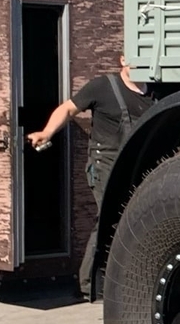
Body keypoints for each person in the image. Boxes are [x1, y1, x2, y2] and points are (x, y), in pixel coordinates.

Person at [28, 54, 155, 300]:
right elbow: (68, 109)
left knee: (140, 218)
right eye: (135, 63)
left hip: (138, 165)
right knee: (112, 218)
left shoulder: (155, 92)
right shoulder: (102, 86)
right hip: (105, 163)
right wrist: (47, 132)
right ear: (123, 60)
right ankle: (89, 285)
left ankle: (127, 281)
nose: (139, 68)